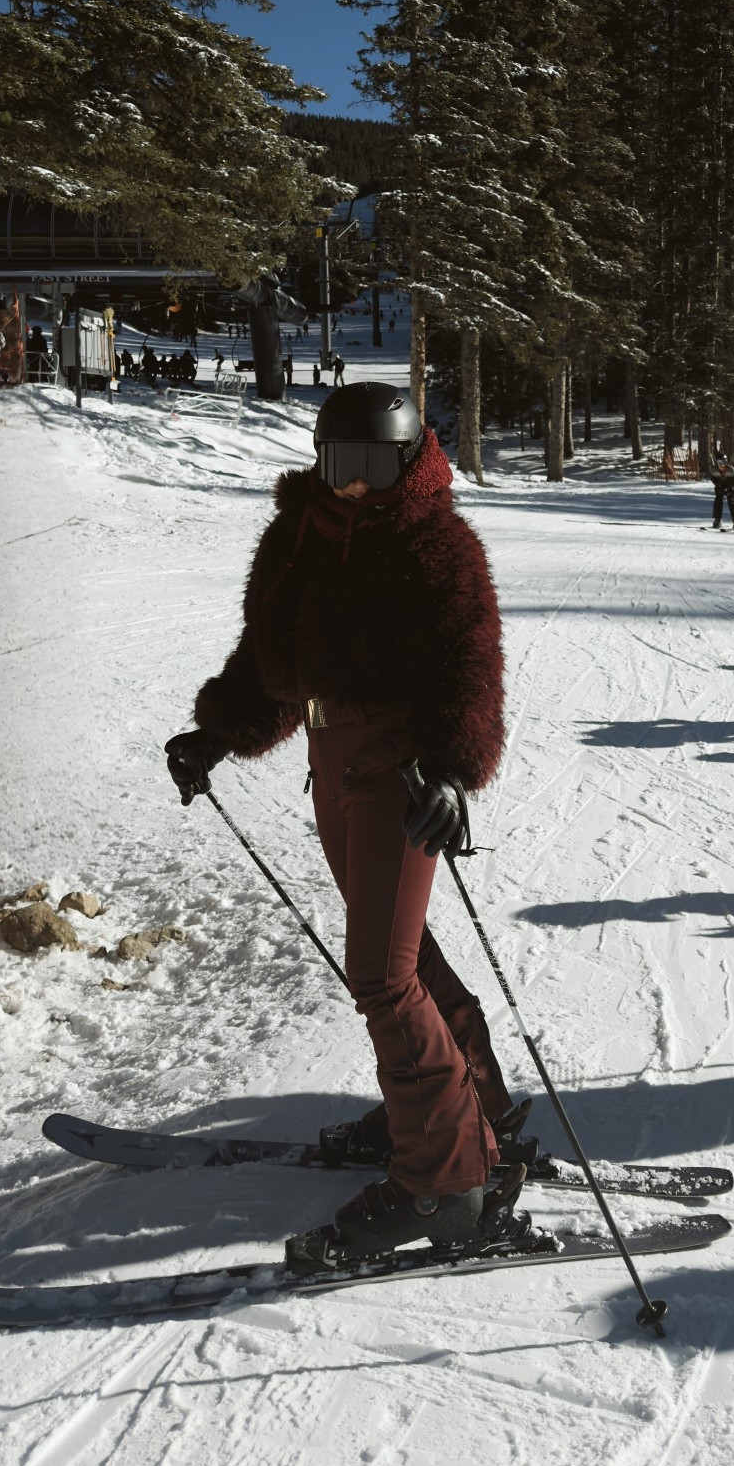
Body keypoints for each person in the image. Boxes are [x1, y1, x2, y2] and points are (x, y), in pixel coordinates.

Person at [164, 382, 530, 1272]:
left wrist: (451, 770)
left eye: (376, 465)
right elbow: (271, 657)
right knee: (398, 952)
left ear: (408, 459)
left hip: (397, 771)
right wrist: (220, 731)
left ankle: (446, 1178)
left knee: (379, 970)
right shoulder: (303, 535)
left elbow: (468, 661)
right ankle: (473, 1107)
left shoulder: (433, 542)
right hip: (333, 765)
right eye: (342, 464)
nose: (358, 485)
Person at [709, 449, 734, 529]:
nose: (721, 465)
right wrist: (718, 486)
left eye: (723, 462)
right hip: (720, 487)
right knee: (718, 500)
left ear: (726, 462)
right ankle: (717, 520)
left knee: (731, 501)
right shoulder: (713, 470)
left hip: (731, 487)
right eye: (719, 462)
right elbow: (714, 480)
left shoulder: (731, 470)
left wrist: (729, 489)